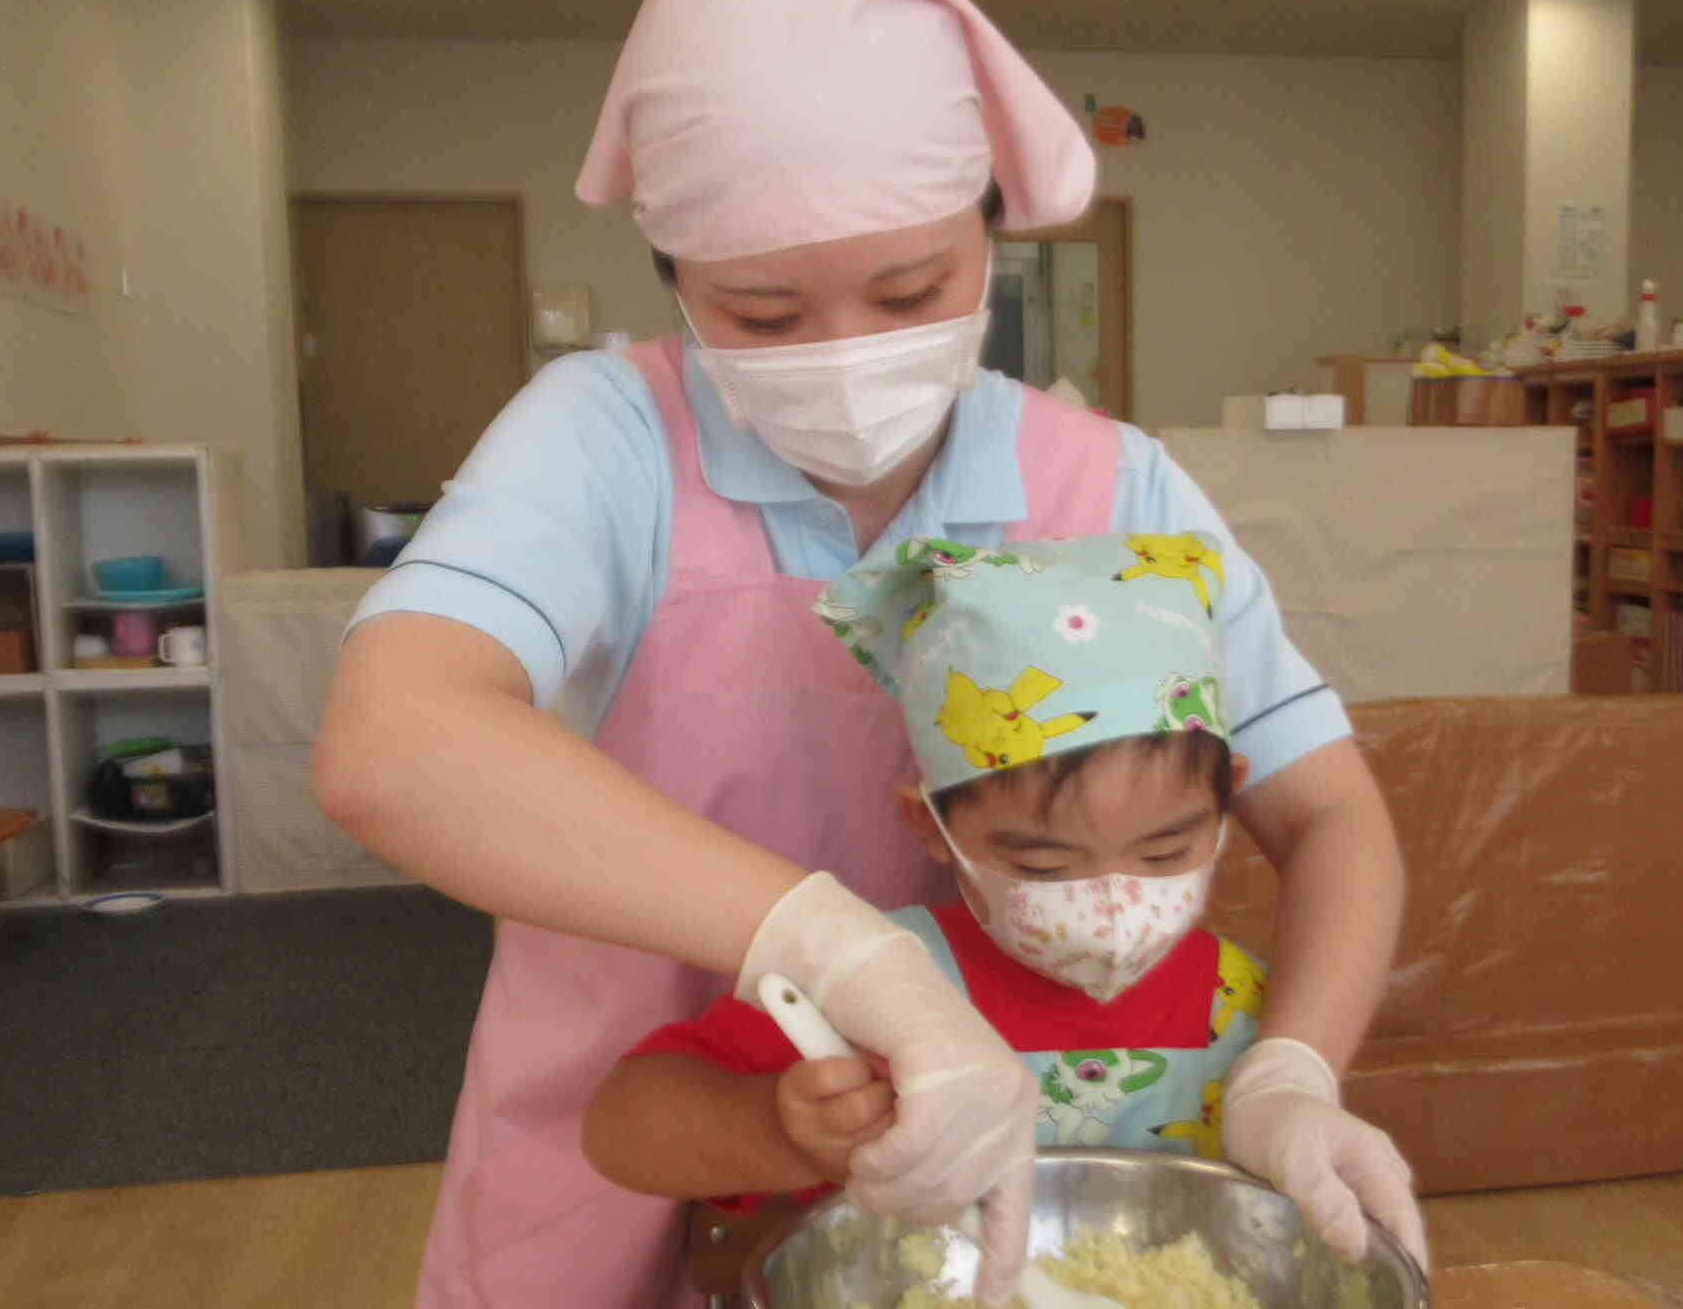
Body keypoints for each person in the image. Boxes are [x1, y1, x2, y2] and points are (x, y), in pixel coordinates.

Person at [314, 0, 1414, 1309]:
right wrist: (848, 960)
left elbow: (1330, 814)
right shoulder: (603, 439)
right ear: (673, 276)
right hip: (633, 1132)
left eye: (909, 293)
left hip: (1038, 1163)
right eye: (762, 316)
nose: (841, 353)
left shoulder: (1112, 485)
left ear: (990, 242)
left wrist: (1290, 1073)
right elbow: (394, 747)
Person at [585, 533, 1413, 1244]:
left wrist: (1299, 1095)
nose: (1112, 906)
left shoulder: (1247, 1009)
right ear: (930, 827)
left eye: (1165, 852)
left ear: (1227, 796)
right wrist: (779, 1131)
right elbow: (623, 1128)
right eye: (1044, 867)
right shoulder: (876, 987)